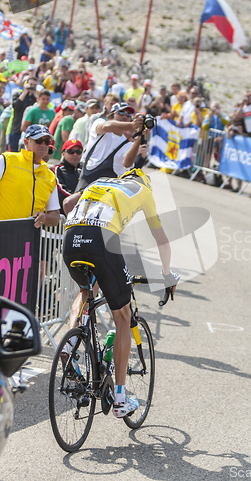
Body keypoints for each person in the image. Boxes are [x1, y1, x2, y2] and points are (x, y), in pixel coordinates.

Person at [62, 168, 179, 417]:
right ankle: (120, 400)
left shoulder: (103, 182)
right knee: (123, 317)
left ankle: (71, 343)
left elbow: (68, 202)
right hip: (102, 239)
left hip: (71, 236)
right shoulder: (144, 190)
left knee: (86, 291)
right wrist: (167, 275)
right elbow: (161, 238)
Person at [76, 102, 145, 191]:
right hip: (87, 182)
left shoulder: (127, 144)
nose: (125, 116)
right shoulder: (99, 123)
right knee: (69, 202)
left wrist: (140, 137)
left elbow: (127, 164)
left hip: (108, 189)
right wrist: (132, 125)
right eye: (121, 113)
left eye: (128, 115)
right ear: (110, 117)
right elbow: (107, 126)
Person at [0, 125, 60, 225]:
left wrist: (44, 217)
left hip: (30, 236)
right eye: (38, 140)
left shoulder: (50, 176)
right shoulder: (7, 160)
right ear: (26, 142)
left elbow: (55, 217)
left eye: (47, 141)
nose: (43, 145)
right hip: (3, 232)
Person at [52, 139, 83, 214]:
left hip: (80, 213)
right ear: (63, 153)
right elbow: (61, 190)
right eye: (71, 151)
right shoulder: (57, 169)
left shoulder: (83, 170)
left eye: (78, 152)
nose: (75, 155)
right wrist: (80, 198)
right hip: (62, 216)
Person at [9, 76, 38, 151]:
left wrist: (36, 95)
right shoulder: (18, 94)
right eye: (31, 84)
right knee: (14, 154)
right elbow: (15, 106)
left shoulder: (35, 99)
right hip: (16, 129)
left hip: (28, 132)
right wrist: (25, 92)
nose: (32, 87)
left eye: (34, 85)